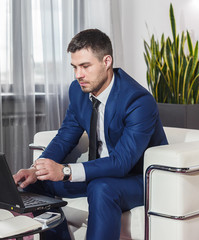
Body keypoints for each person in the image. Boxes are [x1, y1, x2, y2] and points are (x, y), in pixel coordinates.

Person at [13, 28, 168, 240]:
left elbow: (122, 162)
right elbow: (65, 136)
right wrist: (35, 169)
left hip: (137, 180)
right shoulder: (78, 91)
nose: (79, 75)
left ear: (107, 61)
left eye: (85, 66)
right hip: (98, 174)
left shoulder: (138, 100)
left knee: (101, 187)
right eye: (75, 67)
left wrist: (66, 171)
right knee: (34, 184)